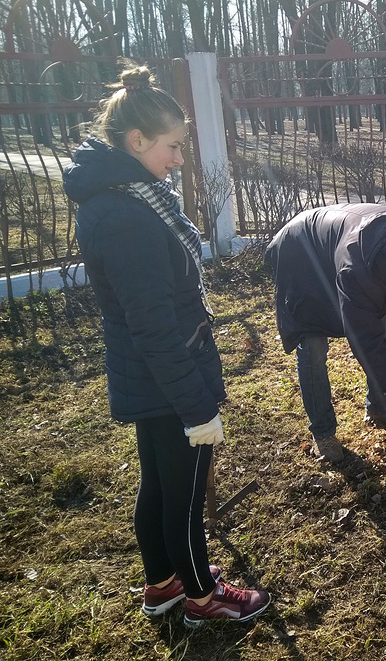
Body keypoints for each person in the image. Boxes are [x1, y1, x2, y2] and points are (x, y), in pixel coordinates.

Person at [62, 66, 270, 626]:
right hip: (168, 376)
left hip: (152, 373)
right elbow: (153, 325)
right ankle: (203, 598)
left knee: (158, 484)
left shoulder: (127, 198)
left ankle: (162, 584)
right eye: (172, 147)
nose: (179, 159)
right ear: (136, 142)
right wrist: (197, 407)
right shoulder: (127, 218)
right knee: (182, 495)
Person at [266, 203, 386, 463]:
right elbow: (367, 345)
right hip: (301, 255)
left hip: (341, 246)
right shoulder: (356, 270)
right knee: (313, 345)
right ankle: (323, 433)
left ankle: (379, 407)